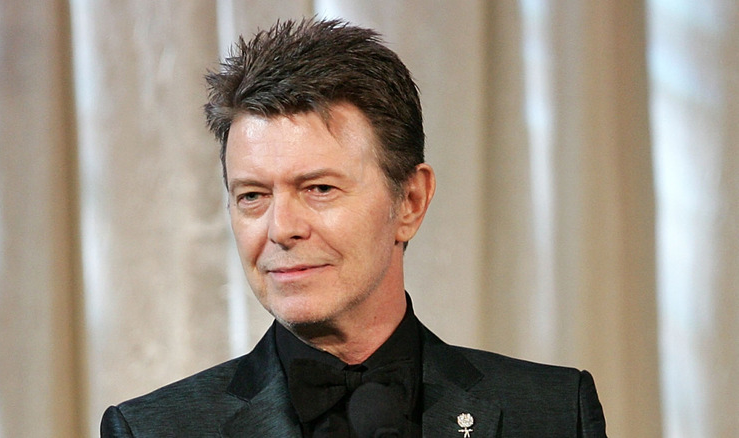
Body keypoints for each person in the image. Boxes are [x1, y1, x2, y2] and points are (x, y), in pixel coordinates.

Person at [100, 18, 606, 437]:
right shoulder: (151, 430)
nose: (282, 229)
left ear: (410, 201)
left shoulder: (553, 414)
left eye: (319, 189)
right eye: (252, 196)